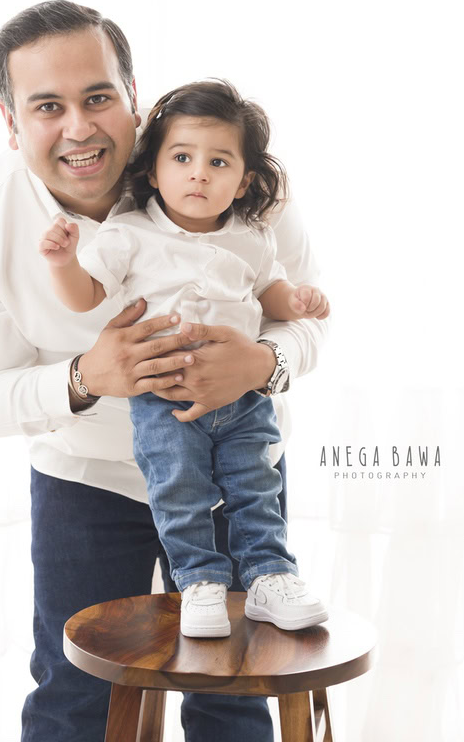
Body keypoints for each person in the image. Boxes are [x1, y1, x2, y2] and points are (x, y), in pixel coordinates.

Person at [0, 0, 329, 742]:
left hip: (230, 463)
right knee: (75, 691)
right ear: (11, 120)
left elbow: (306, 321)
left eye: (97, 98)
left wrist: (261, 363)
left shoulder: (224, 166)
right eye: (47, 106)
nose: (79, 128)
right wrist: (86, 377)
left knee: (233, 688)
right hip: (85, 478)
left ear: (132, 95)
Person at [38, 79, 329, 638]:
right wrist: (63, 262)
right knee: (179, 487)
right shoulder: (131, 232)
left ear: (243, 181)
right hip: (162, 399)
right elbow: (86, 297)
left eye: (218, 162)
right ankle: (198, 583)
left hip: (243, 400)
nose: (199, 173)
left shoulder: (252, 236)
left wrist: (298, 301)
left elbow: (271, 294)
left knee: (256, 485)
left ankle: (270, 576)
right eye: (182, 158)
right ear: (153, 170)